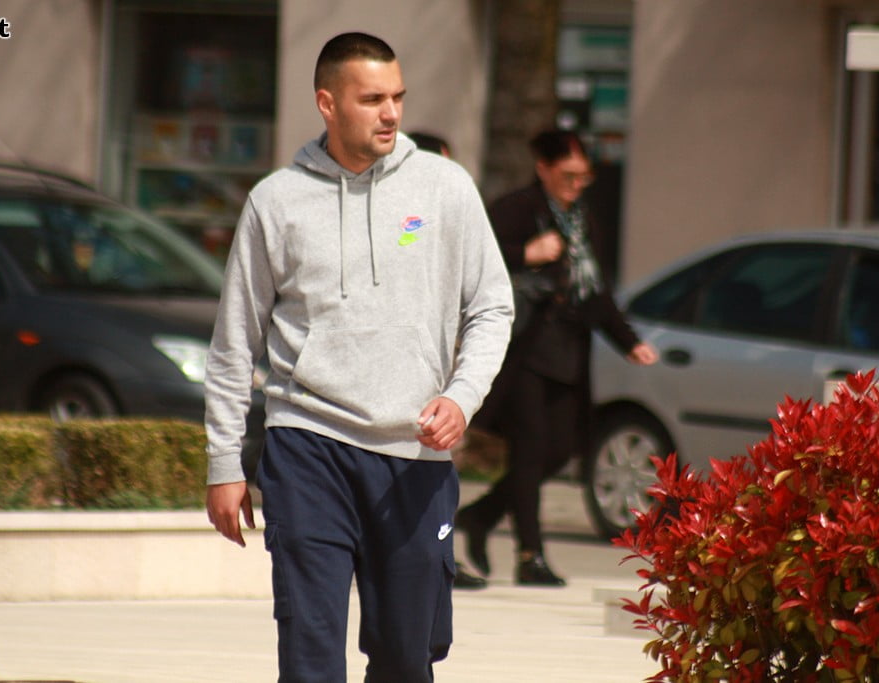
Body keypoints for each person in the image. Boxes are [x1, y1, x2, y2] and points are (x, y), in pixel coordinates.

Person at [203, 32, 513, 682]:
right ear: (328, 103)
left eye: (397, 97)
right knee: (310, 655)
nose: (391, 113)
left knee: (406, 659)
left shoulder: (445, 188)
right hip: (307, 448)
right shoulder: (276, 202)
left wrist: (461, 397)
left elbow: (492, 307)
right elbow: (235, 341)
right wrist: (224, 462)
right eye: (372, 99)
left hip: (414, 457)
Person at [457, 128, 658, 587]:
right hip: (525, 350)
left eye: (583, 176)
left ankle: (482, 515)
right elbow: (475, 260)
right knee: (529, 450)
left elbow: (597, 289)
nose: (577, 185)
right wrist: (526, 253)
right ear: (543, 168)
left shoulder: (582, 218)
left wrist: (628, 341)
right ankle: (531, 555)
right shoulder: (517, 209)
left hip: (569, 350)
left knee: (563, 448)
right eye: (568, 175)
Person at [407, 129, 490, 592]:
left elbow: (485, 300)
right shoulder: (406, 226)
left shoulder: (451, 216)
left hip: (441, 380)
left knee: (439, 462)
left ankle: (441, 553)